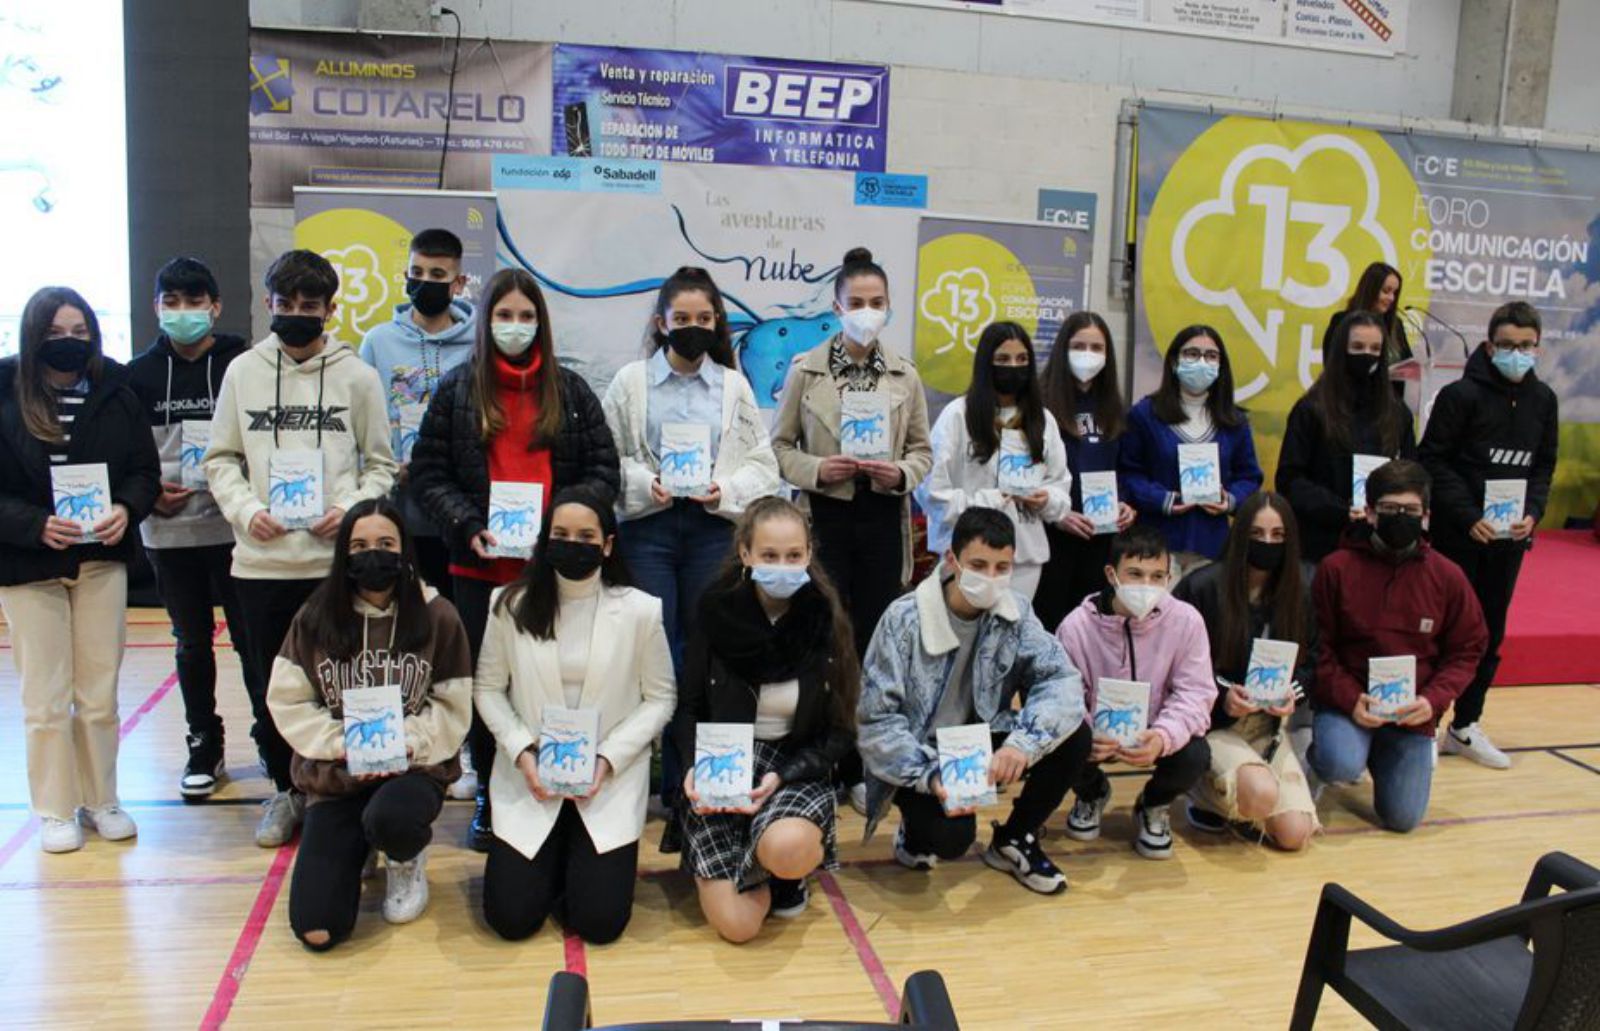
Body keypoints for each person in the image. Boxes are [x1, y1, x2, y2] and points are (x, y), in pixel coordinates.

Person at [410, 267, 620, 852]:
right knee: (488, 687)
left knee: (555, 684)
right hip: (478, 568)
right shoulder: (457, 389)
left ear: (542, 324)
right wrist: (466, 524)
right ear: (485, 322)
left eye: (526, 316)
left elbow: (603, 472)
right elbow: (428, 474)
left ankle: (563, 777)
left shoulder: (571, 391)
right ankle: (488, 791)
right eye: (504, 315)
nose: (515, 326)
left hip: (554, 572)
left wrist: (566, 530)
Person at [205, 249, 398, 848]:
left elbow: (382, 466)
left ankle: (339, 792)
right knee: (272, 689)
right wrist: (246, 510)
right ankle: (285, 792)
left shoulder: (357, 376)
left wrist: (351, 514)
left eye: (308, 306)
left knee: (342, 685)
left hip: (332, 568)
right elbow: (221, 459)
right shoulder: (242, 372)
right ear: (268, 304)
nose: (295, 315)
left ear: (329, 310)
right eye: (284, 305)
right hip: (260, 565)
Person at [267, 499, 472, 950]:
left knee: (392, 817)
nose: (372, 554)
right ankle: (356, 846)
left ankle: (404, 856)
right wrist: (342, 744)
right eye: (359, 545)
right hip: (338, 773)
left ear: (404, 552)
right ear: (343, 553)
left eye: (385, 544)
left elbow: (453, 705)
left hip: (411, 771)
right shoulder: (314, 617)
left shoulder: (438, 616)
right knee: (317, 929)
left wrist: (404, 742)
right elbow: (288, 701)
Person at [473, 487, 675, 944]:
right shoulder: (508, 603)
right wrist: (522, 751)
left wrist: (608, 759)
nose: (573, 543)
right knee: (510, 919)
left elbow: (661, 698)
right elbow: (487, 689)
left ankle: (572, 848)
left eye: (586, 535)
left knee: (600, 924)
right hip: (530, 777)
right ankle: (555, 848)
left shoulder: (642, 611)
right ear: (545, 541)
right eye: (560, 533)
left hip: (606, 781)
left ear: (607, 544)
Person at [858, 506, 1091, 895]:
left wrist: (1023, 743)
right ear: (952, 560)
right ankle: (913, 833)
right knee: (950, 838)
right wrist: (930, 775)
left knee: (1075, 737)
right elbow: (876, 720)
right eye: (979, 564)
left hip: (983, 739)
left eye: (1003, 567)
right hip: (923, 751)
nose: (991, 578)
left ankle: (1015, 838)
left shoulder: (1016, 612)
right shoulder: (903, 619)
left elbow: (1061, 679)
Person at [0, 286, 160, 853]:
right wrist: (32, 524)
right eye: (55, 334)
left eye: (79, 333)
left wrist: (127, 509)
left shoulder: (117, 389)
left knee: (99, 692)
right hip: (29, 565)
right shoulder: (5, 387)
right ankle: (53, 809)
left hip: (100, 561)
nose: (69, 343)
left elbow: (144, 470)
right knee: (44, 697)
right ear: (33, 335)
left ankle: (102, 799)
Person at [673, 497, 858, 942]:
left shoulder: (827, 618)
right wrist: (692, 769)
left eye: (794, 555)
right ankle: (747, 858)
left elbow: (840, 732)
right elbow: (689, 707)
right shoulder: (715, 611)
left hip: (793, 764)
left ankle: (781, 867)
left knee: (789, 849)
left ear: (809, 553)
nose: (783, 565)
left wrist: (785, 774)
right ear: (745, 554)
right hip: (725, 760)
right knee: (737, 928)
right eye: (769, 555)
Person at [126, 257, 259, 798]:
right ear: (157, 308)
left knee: (252, 643)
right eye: (172, 302)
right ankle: (204, 742)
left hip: (237, 532)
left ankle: (270, 741)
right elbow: (125, 455)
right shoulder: (135, 375)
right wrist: (146, 492)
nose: (184, 312)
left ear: (215, 306)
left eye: (194, 301)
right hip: (170, 533)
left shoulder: (243, 363)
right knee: (191, 643)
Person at [1308, 460, 1487, 832]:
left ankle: (1385, 753)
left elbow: (1468, 649)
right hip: (1348, 703)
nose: (1399, 517)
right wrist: (1349, 699)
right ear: (1370, 513)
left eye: (1410, 511)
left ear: (1425, 517)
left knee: (1403, 819)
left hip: (1412, 711)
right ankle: (1323, 751)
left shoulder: (1447, 576)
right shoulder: (1335, 568)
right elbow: (1318, 648)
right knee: (1340, 763)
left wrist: (1432, 702)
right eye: (1389, 509)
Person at [771, 246, 933, 660]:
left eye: (876, 303)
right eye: (857, 303)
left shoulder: (906, 375)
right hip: (824, 513)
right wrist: (819, 469)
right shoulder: (805, 370)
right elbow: (780, 446)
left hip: (882, 515)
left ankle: (869, 717)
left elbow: (921, 452)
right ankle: (822, 716)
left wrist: (899, 474)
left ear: (888, 307)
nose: (867, 312)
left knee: (876, 628)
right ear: (838, 307)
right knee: (822, 623)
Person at [1419, 302, 1557, 769]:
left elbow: (1543, 466)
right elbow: (1432, 460)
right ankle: (1425, 724)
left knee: (1489, 632)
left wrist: (1534, 513)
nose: (1516, 354)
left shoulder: (1545, 402)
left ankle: (1465, 724)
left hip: (1509, 542)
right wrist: (1464, 514)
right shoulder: (1460, 397)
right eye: (1507, 346)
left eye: (1525, 347)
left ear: (1536, 347)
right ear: (1488, 346)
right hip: (1459, 539)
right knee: (1442, 631)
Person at [1056, 524, 1216, 860]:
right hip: (1097, 736)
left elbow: (1196, 693)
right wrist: (1087, 732)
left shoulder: (1187, 621)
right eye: (1135, 574)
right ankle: (1092, 793)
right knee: (1060, 742)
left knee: (1196, 753)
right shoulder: (1075, 627)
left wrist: (1162, 736)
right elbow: (1062, 696)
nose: (1147, 586)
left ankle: (1154, 804)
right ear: (1112, 574)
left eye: (1157, 576)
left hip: (1154, 732)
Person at [1171, 493, 1317, 851]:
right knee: (1259, 794)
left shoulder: (1301, 589)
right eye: (1258, 533)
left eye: (1278, 535)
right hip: (1212, 723)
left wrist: (1292, 694)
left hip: (1264, 727)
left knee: (1295, 834)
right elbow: (1176, 665)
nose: (1267, 543)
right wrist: (1223, 698)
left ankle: (1244, 791)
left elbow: (1313, 659)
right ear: (1239, 534)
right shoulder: (1202, 586)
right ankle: (1199, 787)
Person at [358, 228, 478, 602]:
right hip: (399, 511)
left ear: (458, 283)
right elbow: (363, 422)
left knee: (457, 622)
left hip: (459, 510)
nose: (425, 282)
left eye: (438, 275)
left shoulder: (479, 344)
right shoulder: (377, 342)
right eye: (418, 272)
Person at [917, 321, 1071, 601]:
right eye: (1003, 359)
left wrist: (1045, 499)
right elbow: (929, 491)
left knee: (1011, 637)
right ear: (986, 363)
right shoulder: (957, 416)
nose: (1013, 367)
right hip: (967, 554)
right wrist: (988, 500)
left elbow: (1061, 489)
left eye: (1022, 359)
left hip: (1023, 559)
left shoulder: (1042, 420)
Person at [1278, 311, 1418, 563]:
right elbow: (1290, 480)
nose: (1367, 354)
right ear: (1341, 349)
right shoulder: (1311, 409)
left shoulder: (1397, 413)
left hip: (1381, 544)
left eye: (1375, 348)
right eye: (1357, 347)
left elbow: (1411, 475)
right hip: (1320, 545)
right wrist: (1340, 510)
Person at [1120, 325, 1262, 573]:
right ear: (1174, 362)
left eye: (1211, 356)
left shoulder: (1234, 421)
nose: (1201, 362)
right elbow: (1128, 473)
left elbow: (1249, 476)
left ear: (1220, 366)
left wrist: (1229, 500)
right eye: (1192, 354)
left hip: (1213, 545)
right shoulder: (1144, 415)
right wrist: (1162, 499)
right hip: (1155, 547)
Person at [1035, 311, 1136, 631]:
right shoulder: (1039, 403)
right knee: (1049, 623)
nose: (1088, 355)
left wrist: (1126, 504)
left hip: (1100, 539)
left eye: (1097, 348)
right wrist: (1056, 513)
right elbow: (1026, 472)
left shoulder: (1115, 408)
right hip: (1052, 535)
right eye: (1079, 346)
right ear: (1063, 348)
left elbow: (1124, 469)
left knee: (1093, 626)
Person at [1322, 262, 1412, 364]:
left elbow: (1407, 364)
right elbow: (1332, 364)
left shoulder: (1396, 324)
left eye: (1395, 293)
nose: (1391, 298)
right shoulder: (1342, 321)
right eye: (1386, 291)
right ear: (1371, 289)